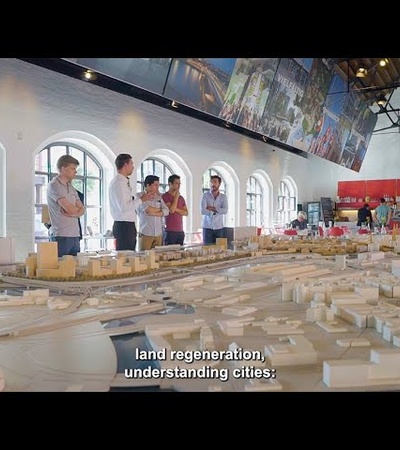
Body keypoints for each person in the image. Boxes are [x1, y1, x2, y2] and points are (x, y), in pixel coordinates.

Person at [109, 153, 154, 251]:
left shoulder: (123, 182)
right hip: (124, 225)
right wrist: (142, 199)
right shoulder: (119, 183)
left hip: (127, 225)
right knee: (126, 258)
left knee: (129, 256)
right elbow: (125, 207)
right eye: (131, 164)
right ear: (125, 164)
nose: (133, 167)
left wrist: (141, 199)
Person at [46, 155, 85, 257]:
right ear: (63, 168)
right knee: (61, 269)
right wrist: (76, 211)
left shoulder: (71, 187)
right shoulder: (54, 185)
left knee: (74, 269)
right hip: (61, 235)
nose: (75, 172)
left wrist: (74, 214)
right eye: (73, 168)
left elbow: (82, 210)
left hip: (75, 235)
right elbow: (69, 208)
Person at [137, 175, 169, 251]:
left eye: (158, 185)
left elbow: (167, 211)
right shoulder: (139, 196)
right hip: (146, 233)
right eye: (155, 185)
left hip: (158, 233)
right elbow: (147, 210)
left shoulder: (159, 197)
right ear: (148, 185)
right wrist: (160, 210)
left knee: (157, 258)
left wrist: (154, 213)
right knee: (144, 258)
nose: (158, 187)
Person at [200, 175, 229, 244]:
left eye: (215, 182)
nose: (213, 184)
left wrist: (212, 208)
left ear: (219, 184)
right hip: (207, 227)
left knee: (220, 249)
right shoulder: (205, 195)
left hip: (219, 227)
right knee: (207, 250)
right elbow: (203, 211)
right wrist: (217, 211)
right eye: (211, 182)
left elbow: (225, 210)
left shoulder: (223, 197)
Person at [162, 174, 188, 246]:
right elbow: (171, 211)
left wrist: (175, 208)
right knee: (169, 253)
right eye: (177, 183)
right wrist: (176, 196)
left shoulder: (181, 198)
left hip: (180, 230)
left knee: (180, 254)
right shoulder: (165, 196)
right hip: (170, 230)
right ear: (170, 184)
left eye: (179, 183)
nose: (179, 186)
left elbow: (186, 213)